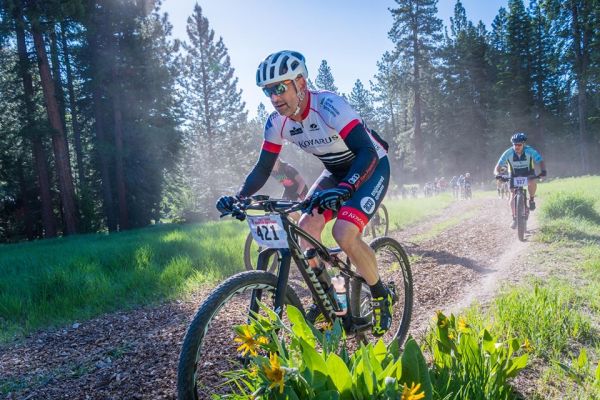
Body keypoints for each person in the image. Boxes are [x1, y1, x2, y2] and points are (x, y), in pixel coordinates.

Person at [216, 50, 393, 336]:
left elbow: (366, 151)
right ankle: (332, 301)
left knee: (344, 233)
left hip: (371, 165)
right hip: (335, 172)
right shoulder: (277, 122)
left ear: (300, 82)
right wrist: (238, 198)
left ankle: (380, 294)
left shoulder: (330, 106)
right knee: (305, 229)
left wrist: (347, 188)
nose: (274, 98)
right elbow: (263, 168)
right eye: (267, 92)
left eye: (279, 88)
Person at [494, 132, 547, 229]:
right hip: (514, 173)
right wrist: (498, 174)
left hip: (527, 171)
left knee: (532, 181)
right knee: (512, 195)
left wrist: (543, 171)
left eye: (519, 145)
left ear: (524, 144)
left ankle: (531, 199)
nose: (517, 146)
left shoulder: (530, 151)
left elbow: (540, 161)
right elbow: (497, 167)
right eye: (515, 145)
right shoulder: (508, 152)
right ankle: (514, 218)